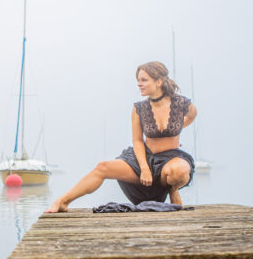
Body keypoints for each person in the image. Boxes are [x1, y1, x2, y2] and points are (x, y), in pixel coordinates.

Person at [44, 61, 197, 213]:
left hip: (170, 159)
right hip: (144, 157)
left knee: (180, 171)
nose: (139, 84)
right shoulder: (139, 108)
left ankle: (172, 190)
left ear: (159, 82)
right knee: (102, 167)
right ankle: (62, 202)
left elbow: (192, 115)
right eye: (138, 80)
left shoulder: (182, 103)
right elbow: (137, 140)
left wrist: (176, 127)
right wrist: (144, 168)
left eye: (144, 80)